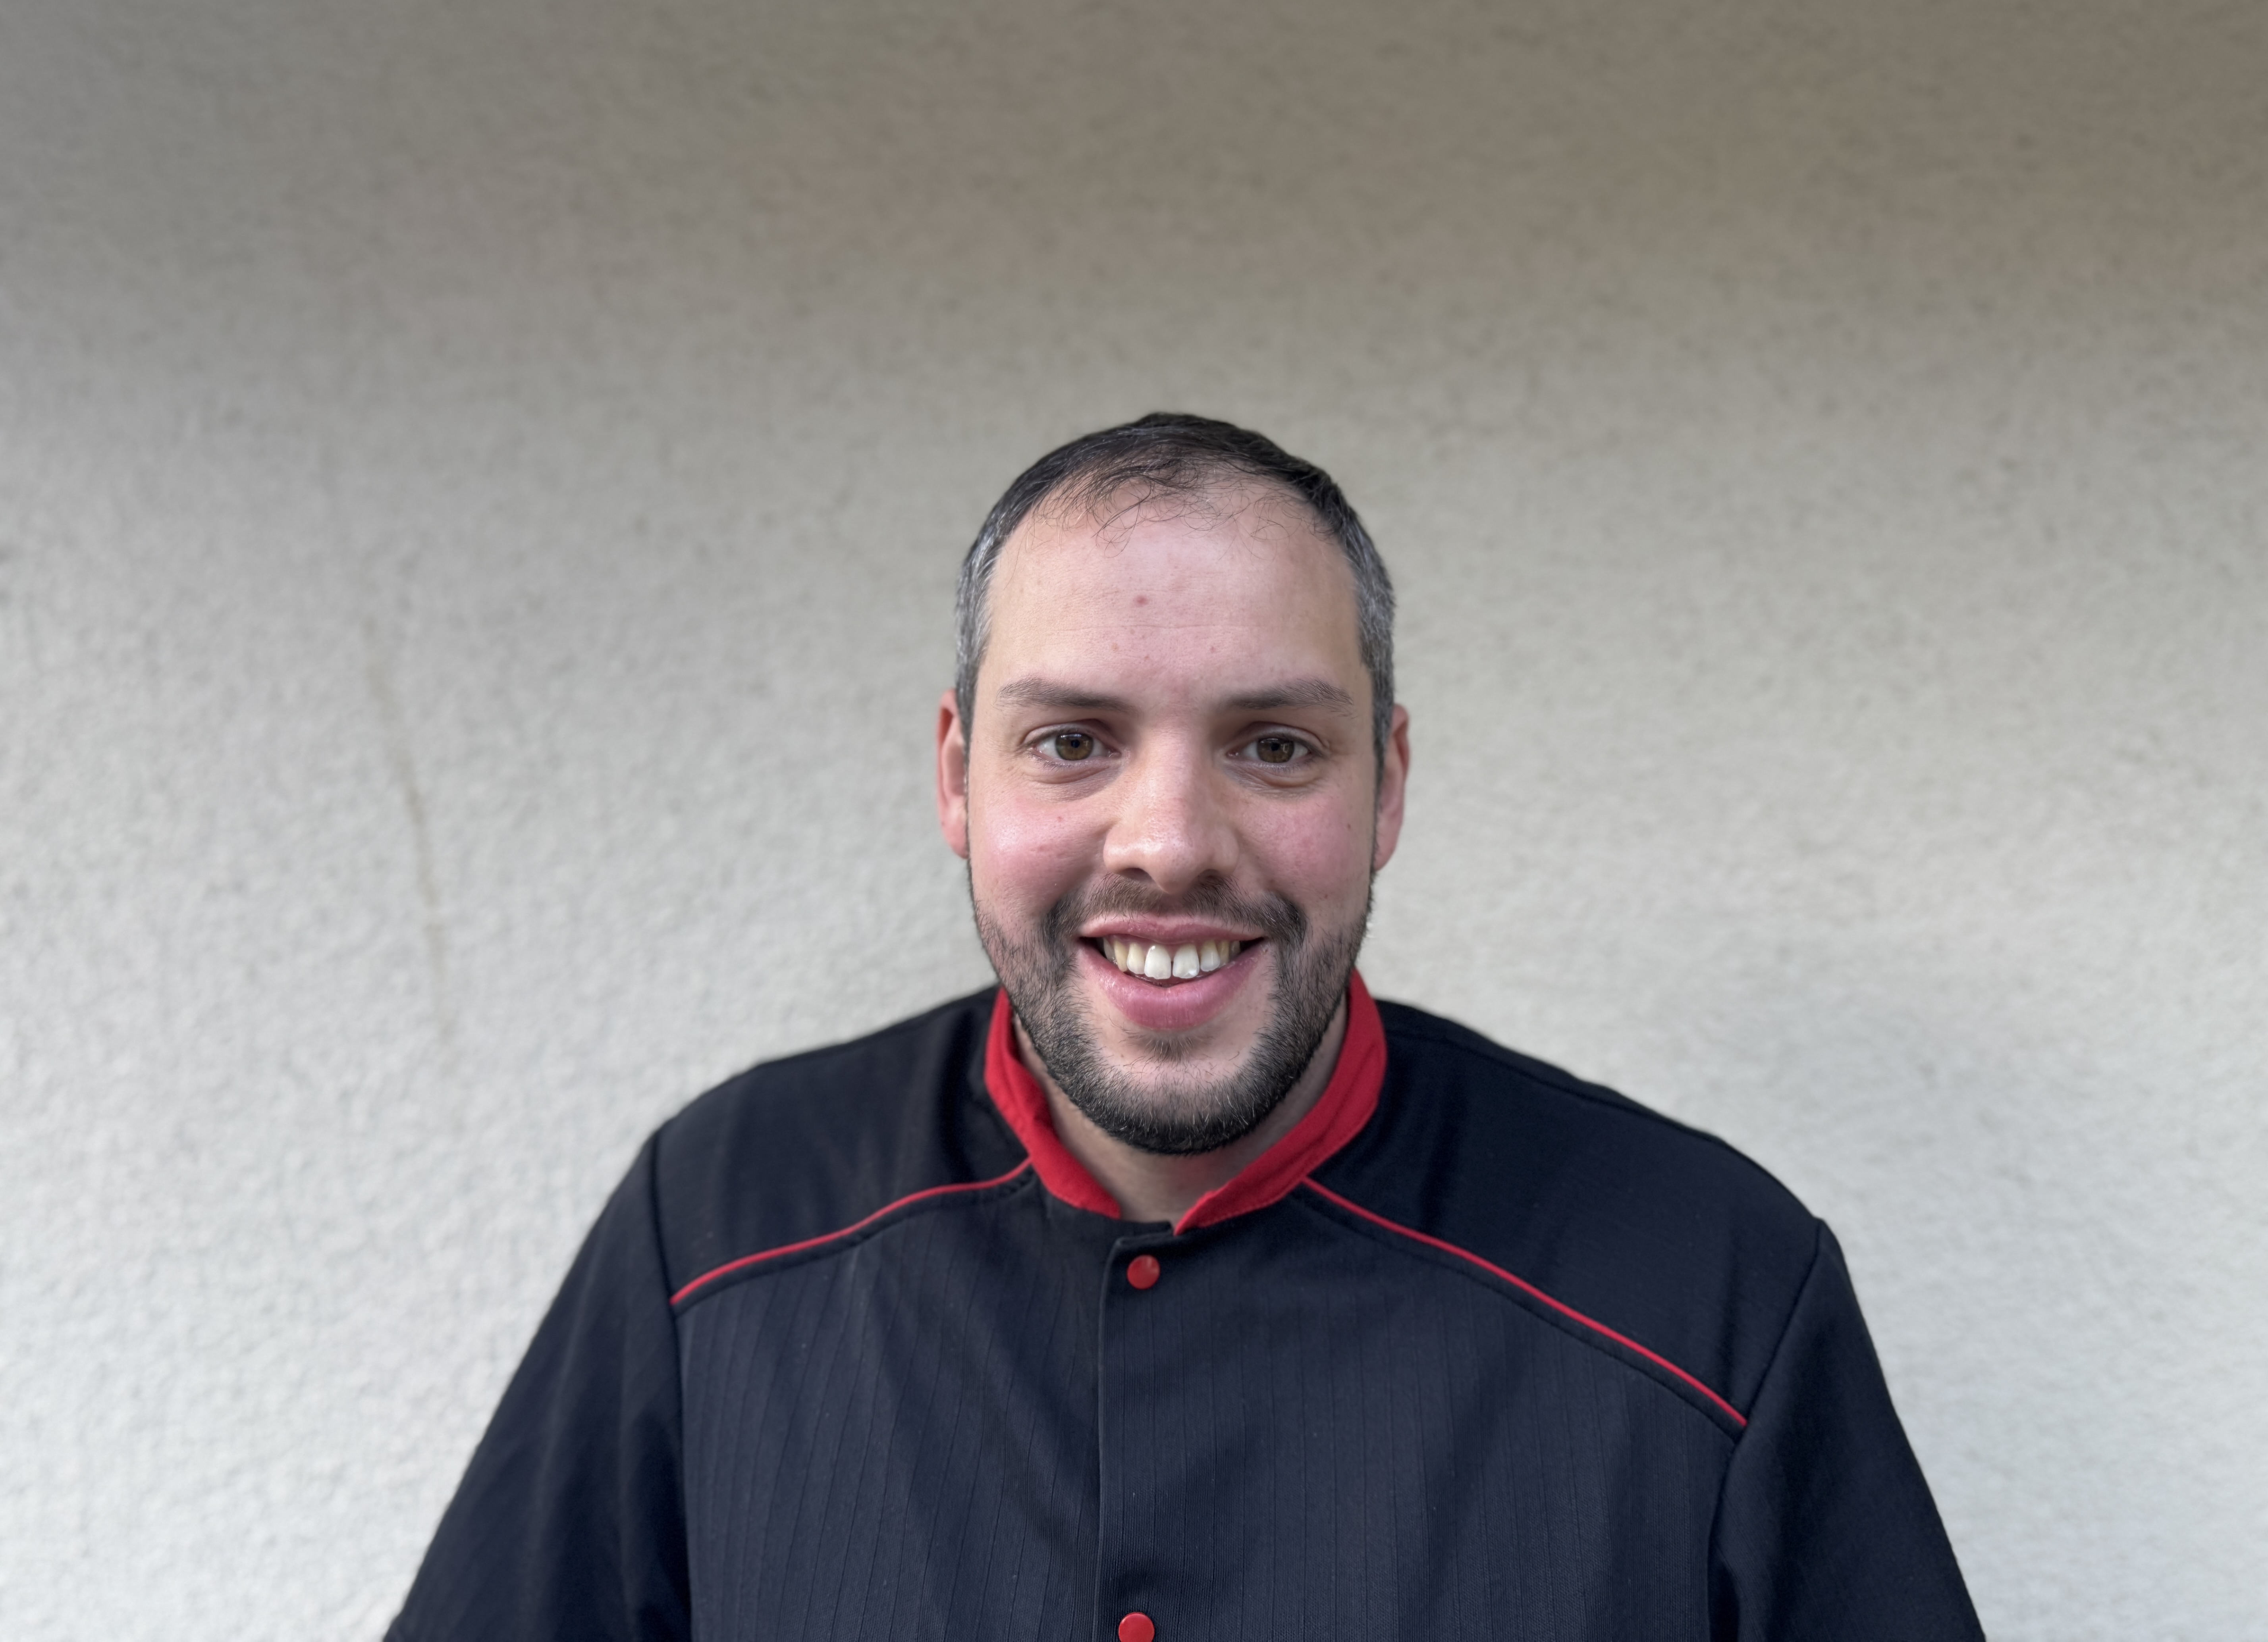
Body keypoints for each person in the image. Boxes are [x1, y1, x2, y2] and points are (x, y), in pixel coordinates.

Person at [388, 414, 1983, 1641]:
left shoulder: (1707, 1286)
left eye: (1274, 745)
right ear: (956, 775)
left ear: (1388, 785)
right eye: (1072, 741)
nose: (1168, 843)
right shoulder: (722, 1223)